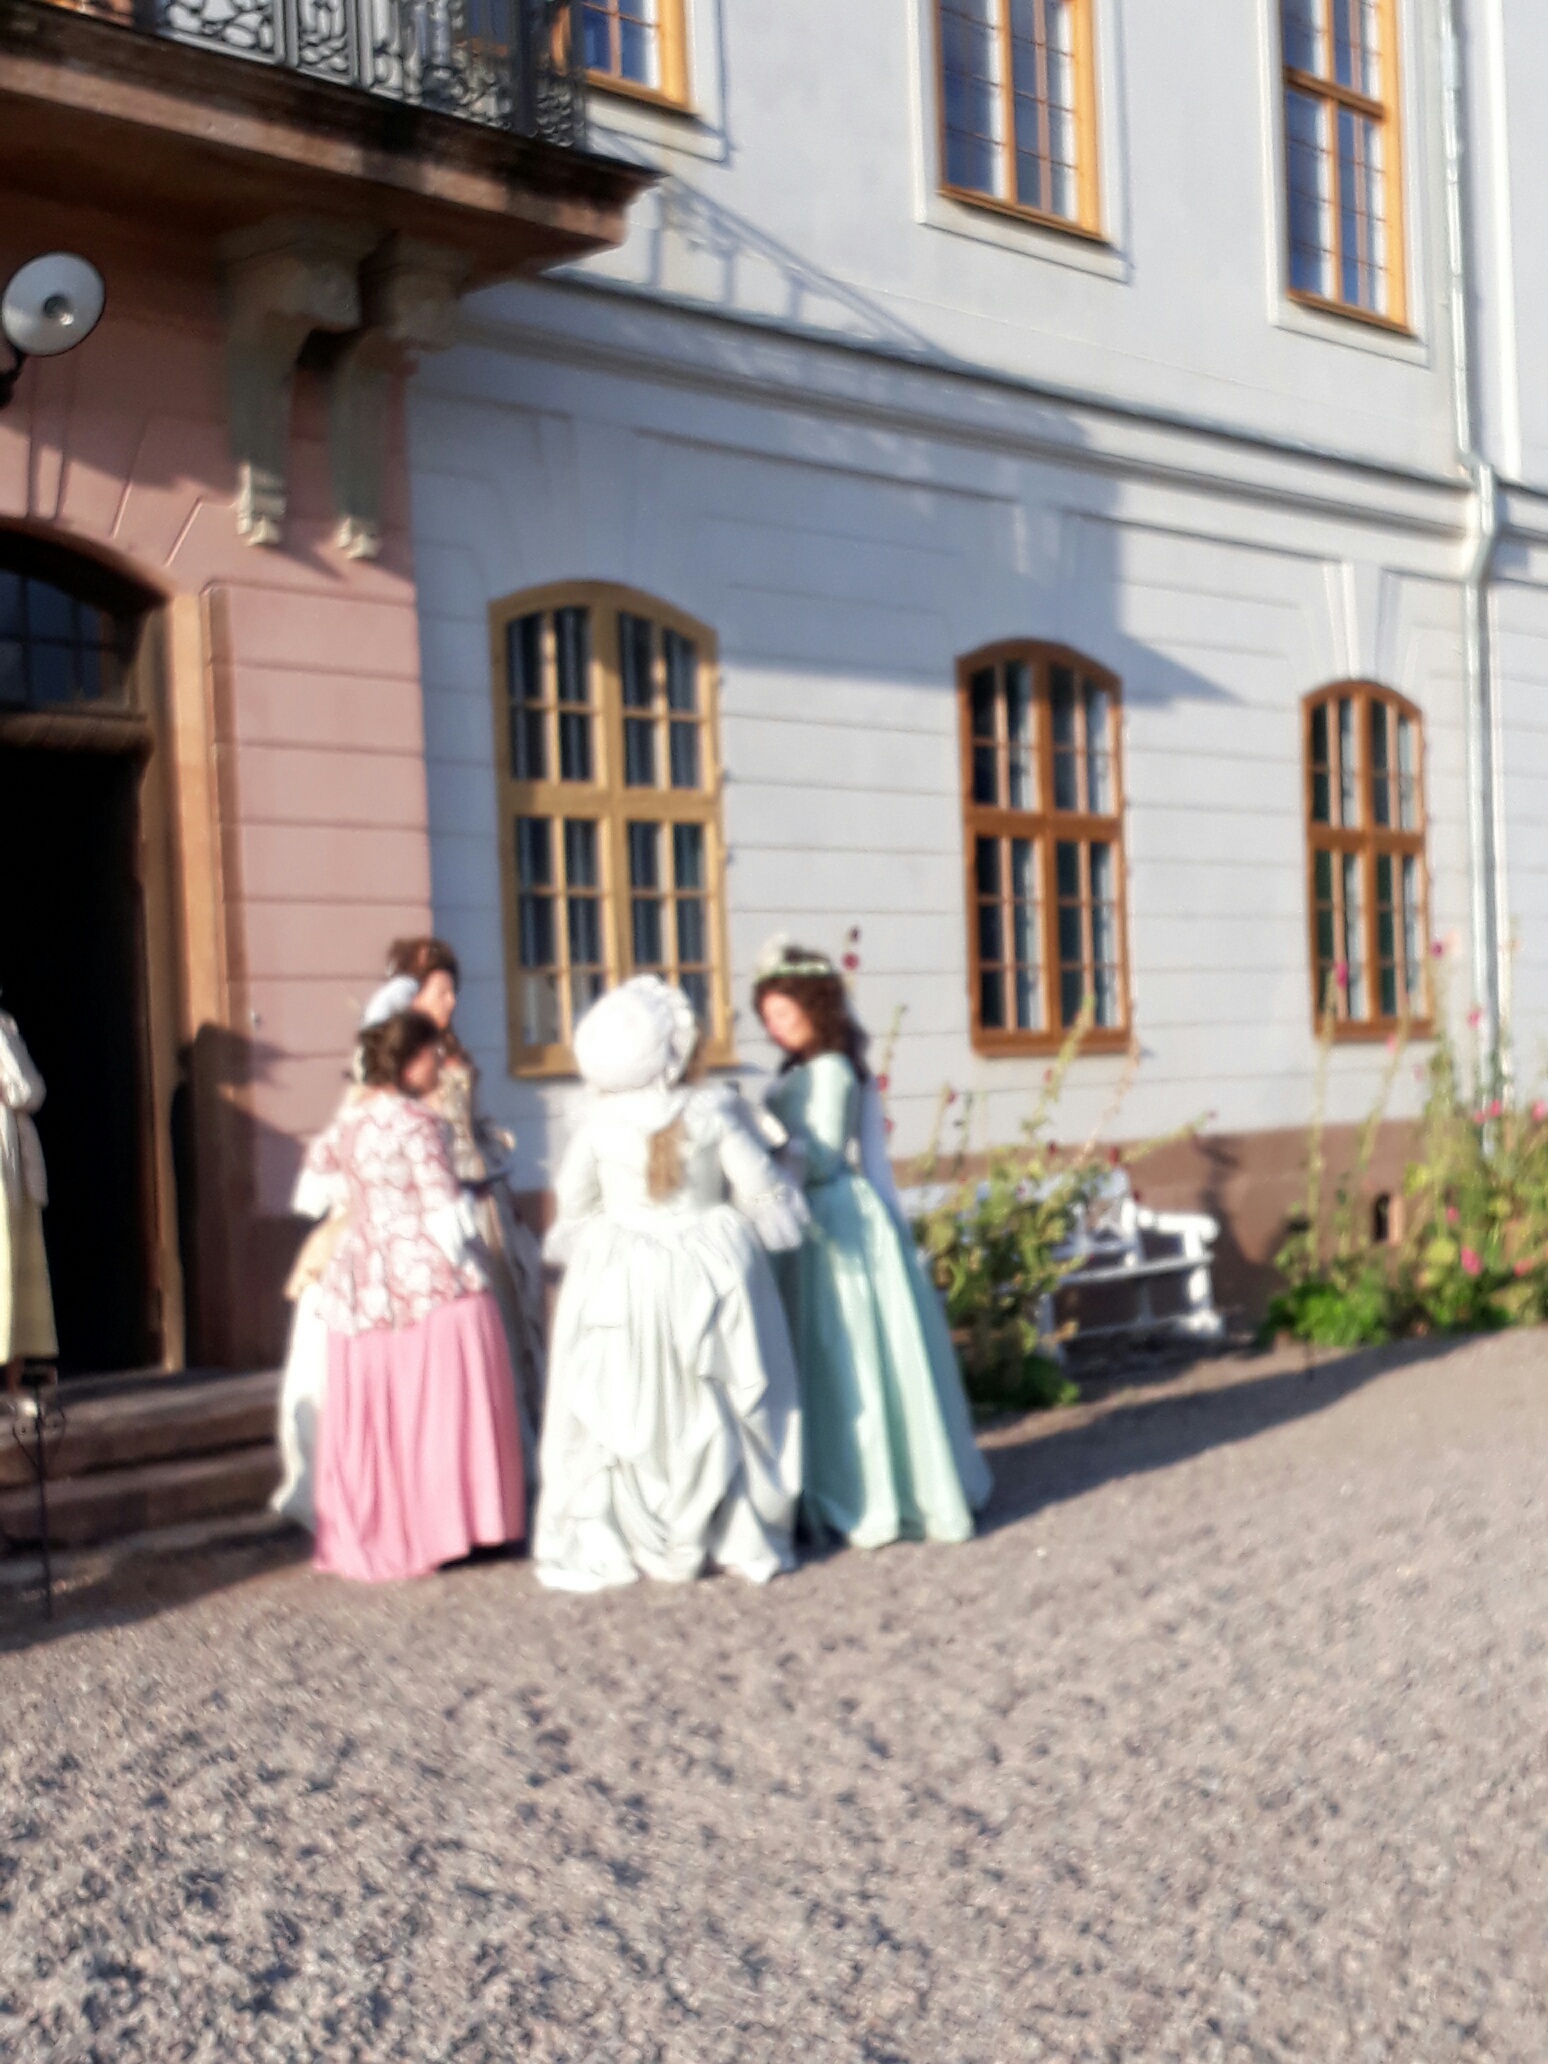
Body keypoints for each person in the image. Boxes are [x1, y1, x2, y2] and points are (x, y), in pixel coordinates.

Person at [536, 976, 806, 1592]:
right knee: (714, 1394)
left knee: (622, 1396)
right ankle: (730, 1531)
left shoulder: (598, 1124)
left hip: (623, 1272)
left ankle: (636, 1532)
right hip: (707, 1268)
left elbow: (575, 1201)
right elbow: (760, 1187)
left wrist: (616, 1219)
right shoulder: (713, 1114)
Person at [753, 938, 991, 1549]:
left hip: (831, 1217)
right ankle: (827, 1483)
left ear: (814, 1007)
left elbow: (823, 1155)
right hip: (805, 1216)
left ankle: (860, 1489)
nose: (775, 1028)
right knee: (819, 1352)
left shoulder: (833, 1072)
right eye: (768, 1018)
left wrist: (770, 1150)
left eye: (783, 1014)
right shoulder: (801, 1072)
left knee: (845, 1352)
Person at [301, 1009, 526, 1583]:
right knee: (451, 1373)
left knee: (386, 1395)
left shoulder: (351, 1123)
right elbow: (442, 1207)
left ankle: (392, 1518)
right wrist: (471, 1231)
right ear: (410, 1061)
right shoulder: (420, 1123)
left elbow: (315, 1188)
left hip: (364, 1273)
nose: (441, 1066)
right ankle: (455, 1524)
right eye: (433, 1056)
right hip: (425, 1270)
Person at [384, 938, 547, 1467]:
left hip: (483, 1191)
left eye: (453, 991)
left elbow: (468, 1115)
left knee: (507, 1311)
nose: (451, 1001)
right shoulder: (400, 1057)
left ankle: (515, 1446)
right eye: (441, 991)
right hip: (441, 1194)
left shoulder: (452, 1045)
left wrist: (492, 1139)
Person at [0, 1002, 56, 1392]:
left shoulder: (3, 1030)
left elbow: (31, 1089)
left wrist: (8, 1090)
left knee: (13, 1269)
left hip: (9, 1168)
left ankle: (13, 1381)